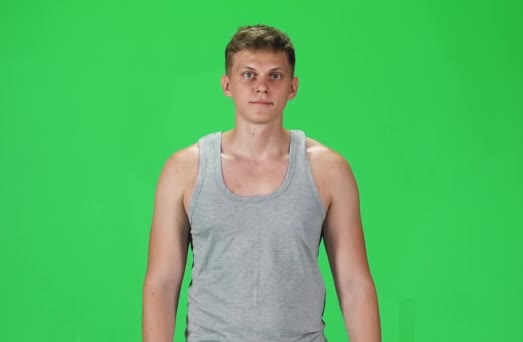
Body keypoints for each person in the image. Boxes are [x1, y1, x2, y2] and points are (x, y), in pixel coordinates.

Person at [142, 24, 380, 342]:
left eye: (275, 76)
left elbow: (354, 284)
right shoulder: (184, 170)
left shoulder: (328, 171)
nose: (262, 87)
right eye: (249, 75)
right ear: (227, 84)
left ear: (293, 87)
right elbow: (162, 282)